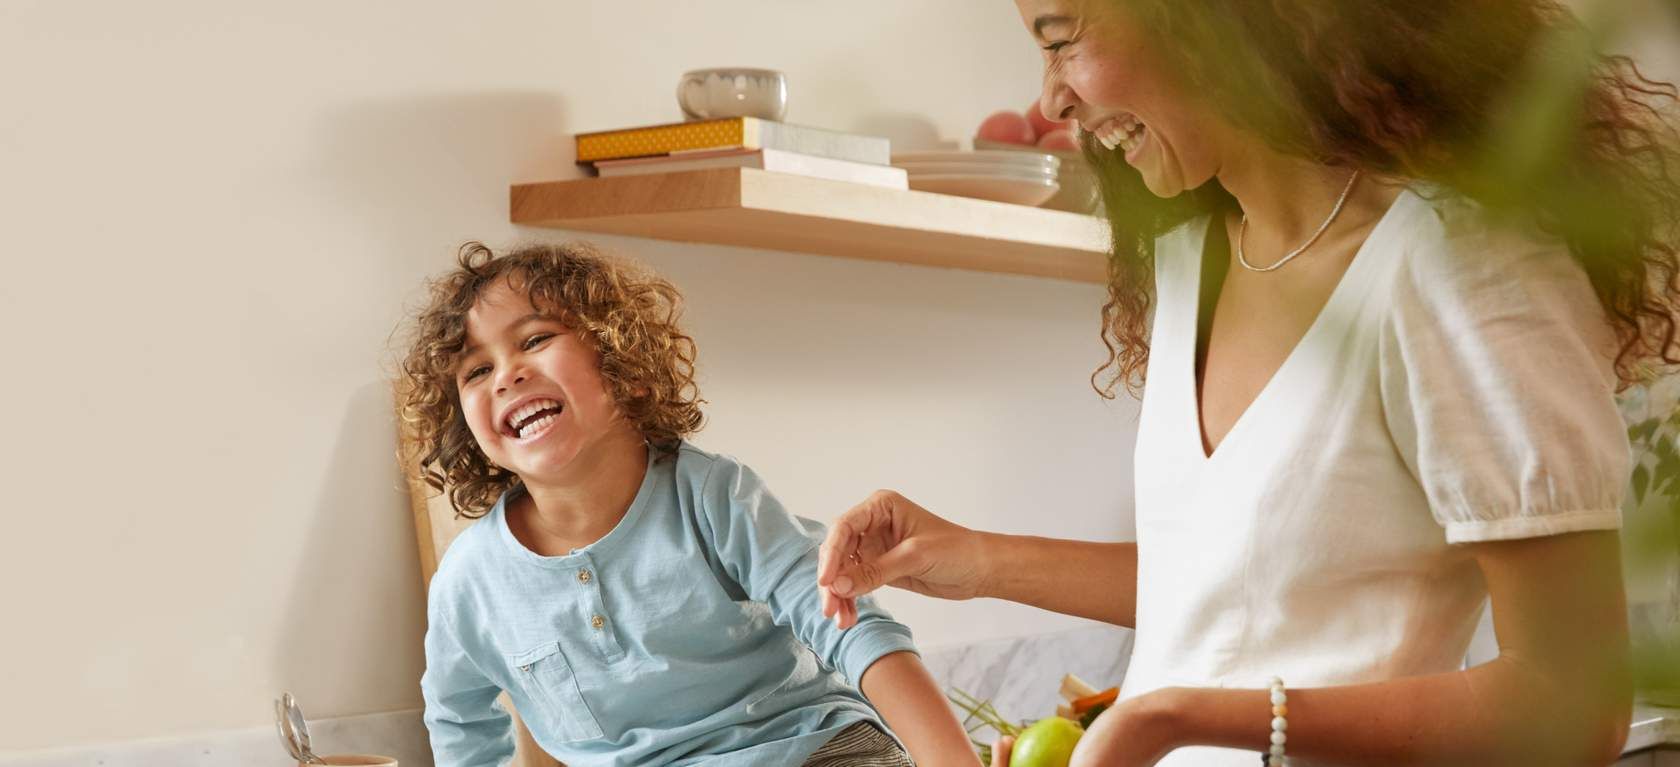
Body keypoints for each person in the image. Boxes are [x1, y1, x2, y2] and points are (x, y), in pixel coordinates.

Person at [818, 1, 1680, 765]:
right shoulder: (1193, 256)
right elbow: (1239, 587)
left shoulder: (1460, 262)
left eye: (1062, 39)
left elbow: (1574, 704)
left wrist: (1175, 718)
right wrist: (974, 557)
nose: (1052, 100)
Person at [400, 242, 979, 766]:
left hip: (811, 751)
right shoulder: (469, 580)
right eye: (477, 370)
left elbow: (847, 624)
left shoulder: (711, 496)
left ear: (624, 364)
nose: (506, 376)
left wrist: (948, 759)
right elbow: (459, 722)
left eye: (535, 340)